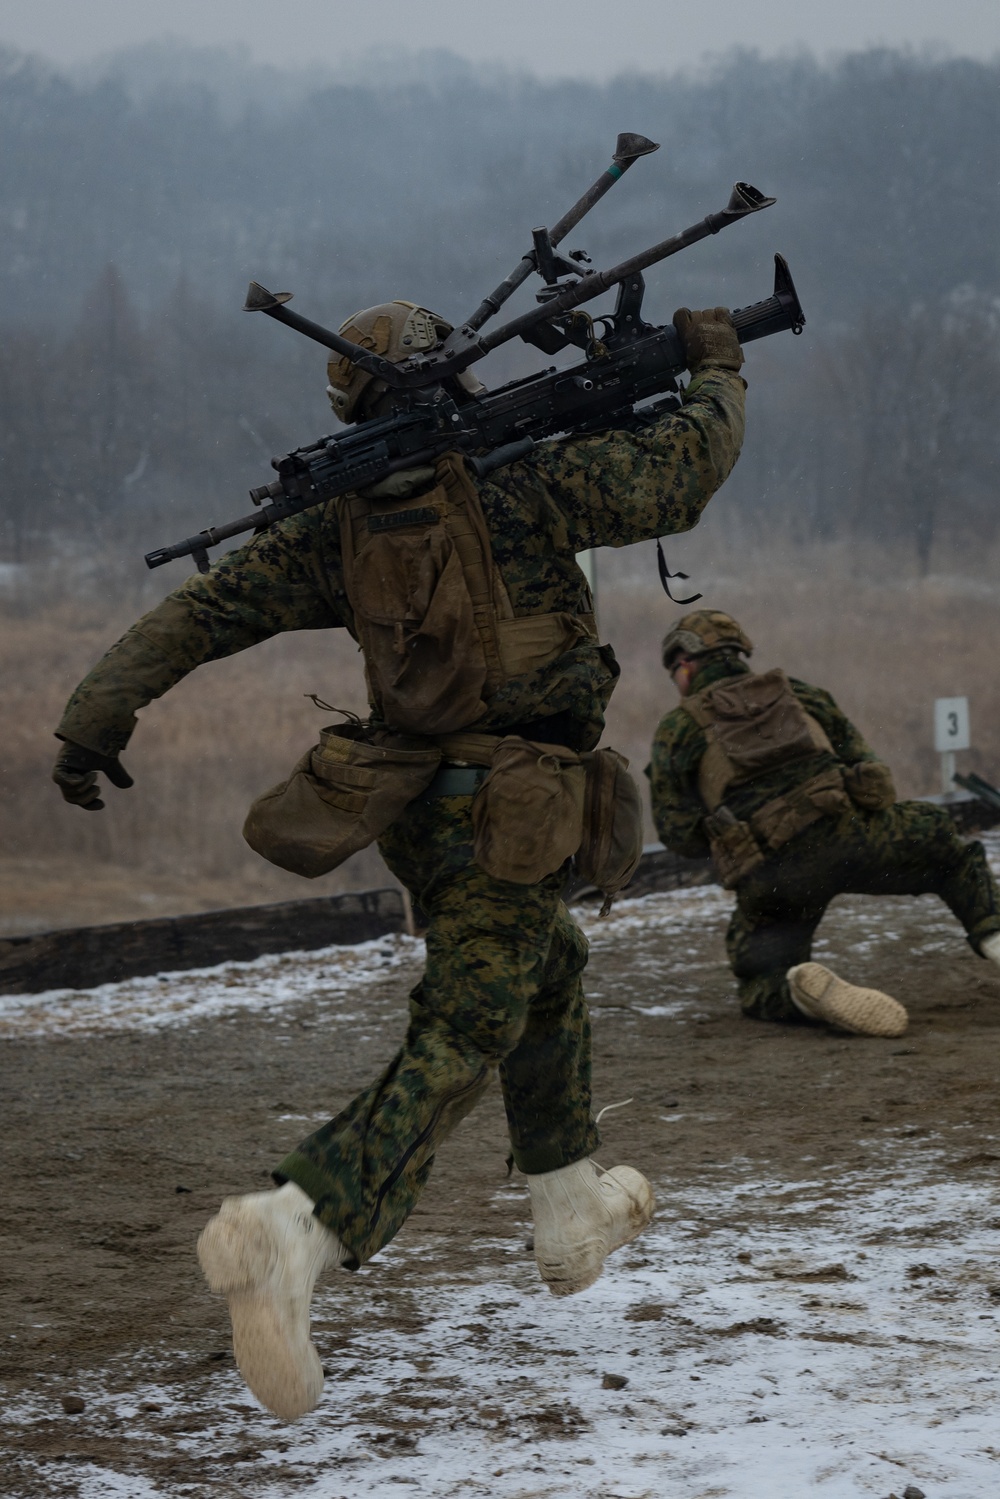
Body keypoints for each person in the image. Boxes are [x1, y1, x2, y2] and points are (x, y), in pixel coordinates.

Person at [52, 299, 747, 1421]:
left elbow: (202, 612)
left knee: (544, 968)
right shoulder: (524, 483)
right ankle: (296, 1226)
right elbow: (683, 471)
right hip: (518, 810)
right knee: (468, 1024)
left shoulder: (338, 526)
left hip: (424, 809)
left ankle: (569, 1201)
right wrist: (718, 369)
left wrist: (95, 716)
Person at [648, 609, 1000, 1035]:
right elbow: (873, 778)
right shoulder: (799, 693)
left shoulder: (677, 728)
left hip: (775, 875)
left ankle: (799, 989)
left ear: (685, 663)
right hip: (854, 835)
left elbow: (679, 836)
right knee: (951, 856)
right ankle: (994, 937)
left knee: (760, 978)